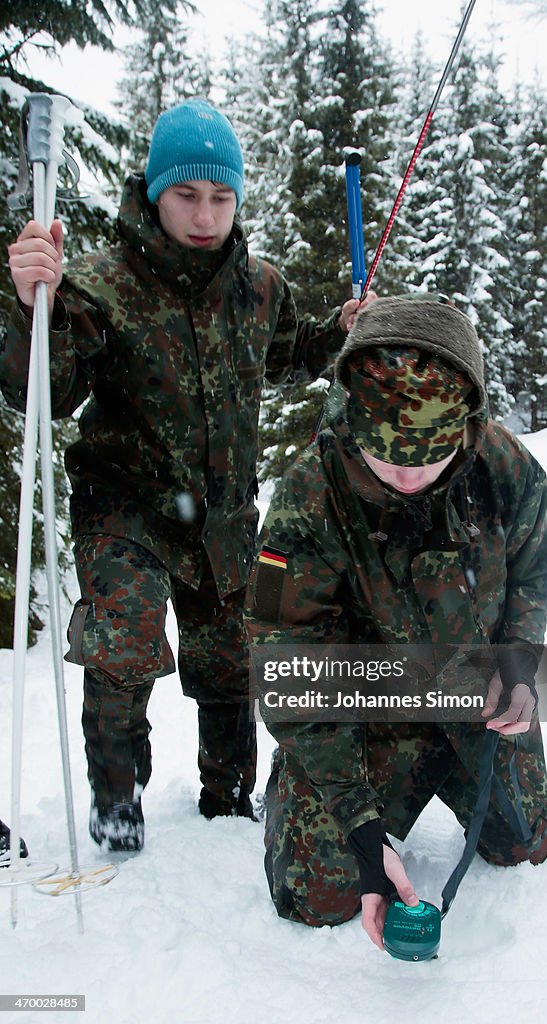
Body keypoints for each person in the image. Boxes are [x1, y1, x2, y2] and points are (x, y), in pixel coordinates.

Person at [1, 99, 369, 853]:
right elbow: (40, 386)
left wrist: (337, 334)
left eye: (221, 197)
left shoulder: (259, 286)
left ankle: (227, 795)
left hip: (225, 512)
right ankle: (115, 801)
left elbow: (289, 352)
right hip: (127, 507)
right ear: (154, 193)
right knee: (124, 642)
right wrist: (27, 305)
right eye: (186, 196)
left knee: (231, 653)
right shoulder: (101, 284)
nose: (205, 215)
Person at [245, 295, 547, 949]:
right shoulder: (307, 495)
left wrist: (517, 658)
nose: (402, 472)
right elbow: (283, 657)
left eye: (427, 454)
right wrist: (358, 822)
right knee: (319, 891)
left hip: (470, 697)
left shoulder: (507, 472)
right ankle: (303, 786)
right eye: (382, 450)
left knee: (527, 842)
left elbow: (535, 576)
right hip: (362, 713)